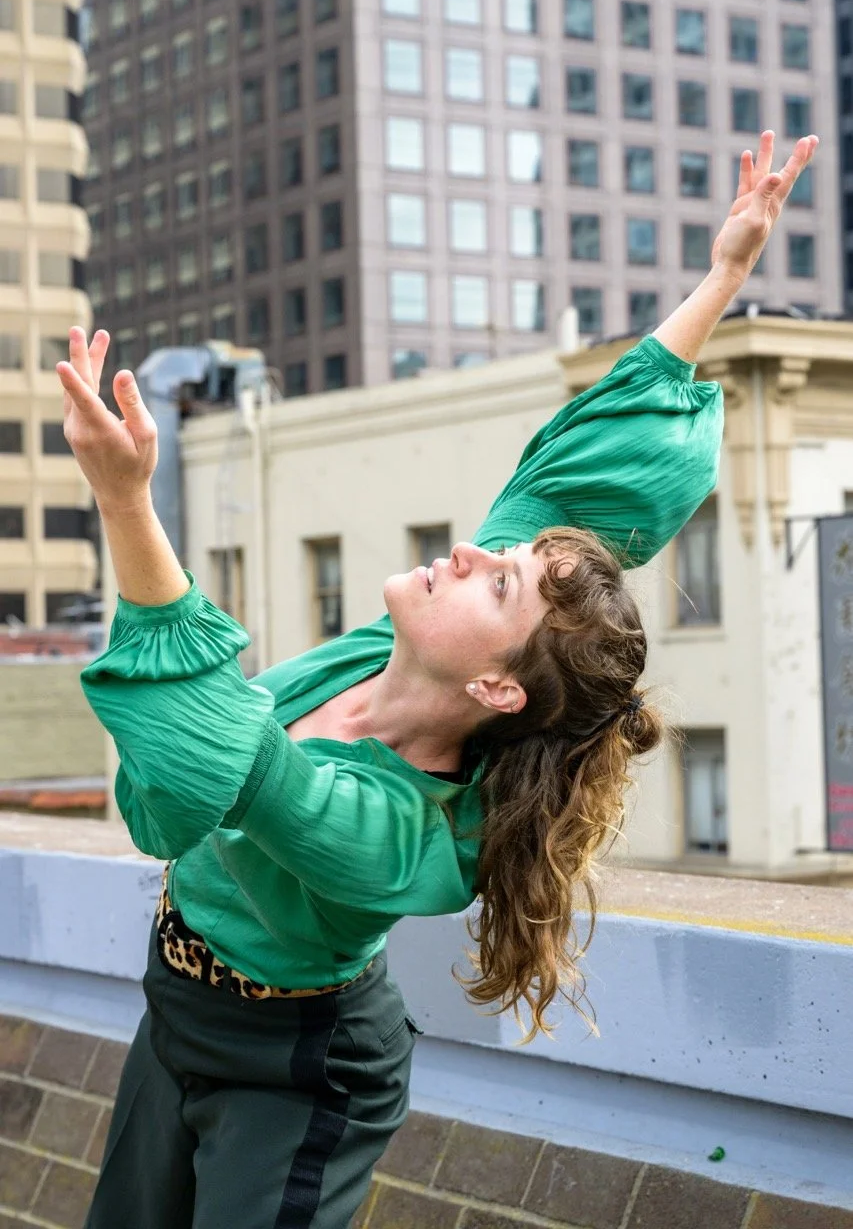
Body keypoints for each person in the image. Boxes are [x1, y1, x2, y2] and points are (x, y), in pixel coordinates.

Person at [62, 131, 815, 1229]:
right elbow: (584, 475)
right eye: (496, 552)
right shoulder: (390, 647)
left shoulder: (401, 834)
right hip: (177, 1003)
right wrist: (725, 276)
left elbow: (222, 754)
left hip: (299, 1069)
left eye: (496, 582)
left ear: (501, 688)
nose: (470, 550)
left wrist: (128, 500)